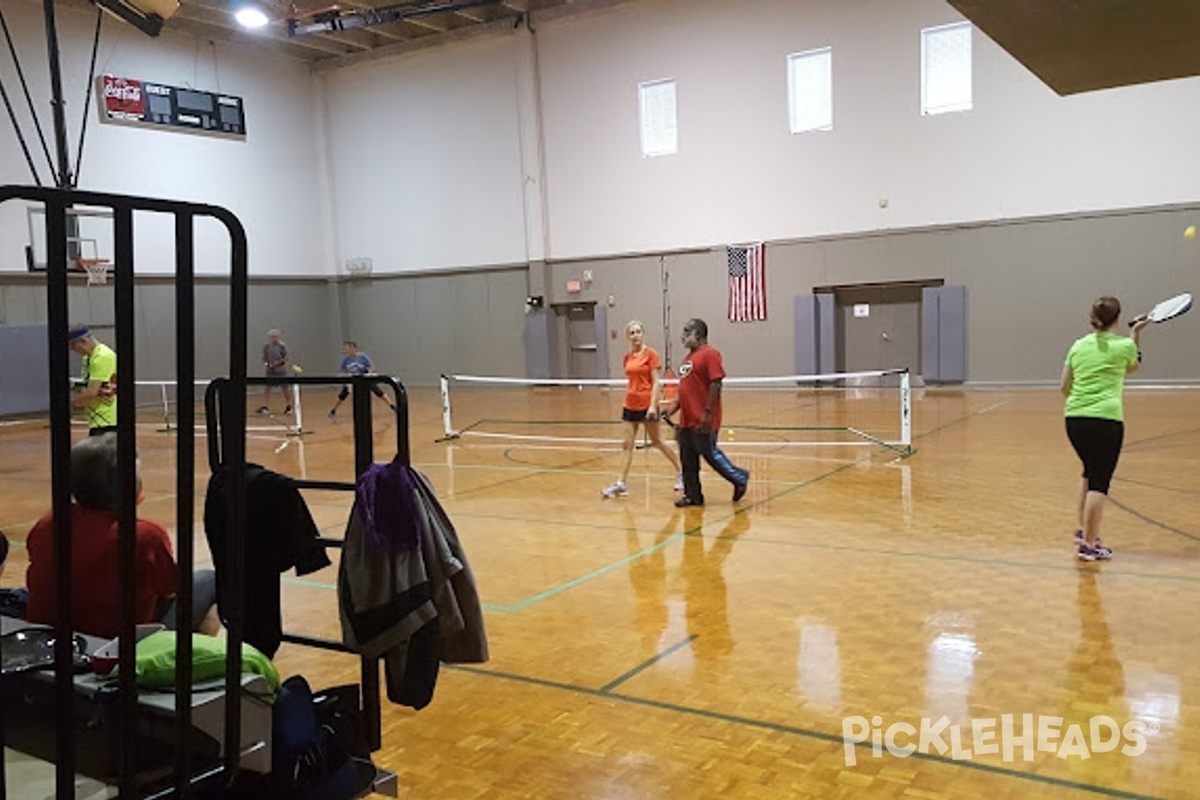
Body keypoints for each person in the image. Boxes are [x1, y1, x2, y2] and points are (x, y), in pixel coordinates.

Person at [24, 433, 219, 638]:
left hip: (50, 637)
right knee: (208, 580)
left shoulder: (50, 522)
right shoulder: (144, 534)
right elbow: (169, 589)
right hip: (117, 645)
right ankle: (199, 661)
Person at [1061, 296, 1149, 561]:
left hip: (1074, 420)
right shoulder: (1124, 346)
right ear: (1117, 319)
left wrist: (1081, 403)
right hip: (1106, 421)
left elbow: (1063, 385)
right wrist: (1136, 334)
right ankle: (1089, 544)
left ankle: (1083, 531)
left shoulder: (1078, 345)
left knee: (1089, 472)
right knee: (1100, 482)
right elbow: (1133, 366)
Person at [663, 318, 749, 507]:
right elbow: (685, 390)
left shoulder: (710, 354)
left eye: (688, 331)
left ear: (699, 334)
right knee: (688, 459)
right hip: (686, 421)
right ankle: (693, 496)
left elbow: (716, 383)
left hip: (703, 419)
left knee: (710, 454)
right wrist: (671, 409)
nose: (683, 335)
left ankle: (740, 478)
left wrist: (708, 413)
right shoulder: (687, 359)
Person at [601, 320, 683, 497]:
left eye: (638, 332)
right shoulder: (627, 357)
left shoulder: (651, 354)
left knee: (657, 442)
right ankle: (621, 483)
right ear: (628, 337)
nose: (635, 335)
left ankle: (681, 472)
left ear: (643, 334)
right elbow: (632, 380)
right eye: (632, 333)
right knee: (626, 445)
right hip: (630, 404)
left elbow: (656, 382)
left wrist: (653, 405)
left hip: (647, 405)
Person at [68, 324, 117, 436]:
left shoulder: (102, 357)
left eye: (74, 346)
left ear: (84, 341)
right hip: (97, 420)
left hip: (108, 421)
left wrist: (71, 405)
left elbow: (91, 393)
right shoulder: (88, 358)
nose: (73, 351)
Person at [328, 340, 396, 421]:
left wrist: (369, 374)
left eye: (347, 348)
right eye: (345, 349)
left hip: (365, 379)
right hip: (353, 381)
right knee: (342, 395)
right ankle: (333, 411)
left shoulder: (362, 357)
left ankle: (392, 406)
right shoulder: (345, 361)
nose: (345, 350)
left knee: (379, 392)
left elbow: (371, 367)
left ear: (353, 348)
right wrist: (347, 380)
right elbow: (343, 371)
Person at [259, 328, 292, 415]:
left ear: (278, 337)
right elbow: (264, 357)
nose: (273, 338)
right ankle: (265, 406)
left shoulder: (282, 346)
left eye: (275, 337)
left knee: (285, 388)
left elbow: (286, 357)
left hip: (280, 370)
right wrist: (267, 364)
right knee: (267, 388)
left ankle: (288, 406)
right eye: (272, 337)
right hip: (270, 371)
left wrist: (278, 362)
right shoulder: (266, 346)